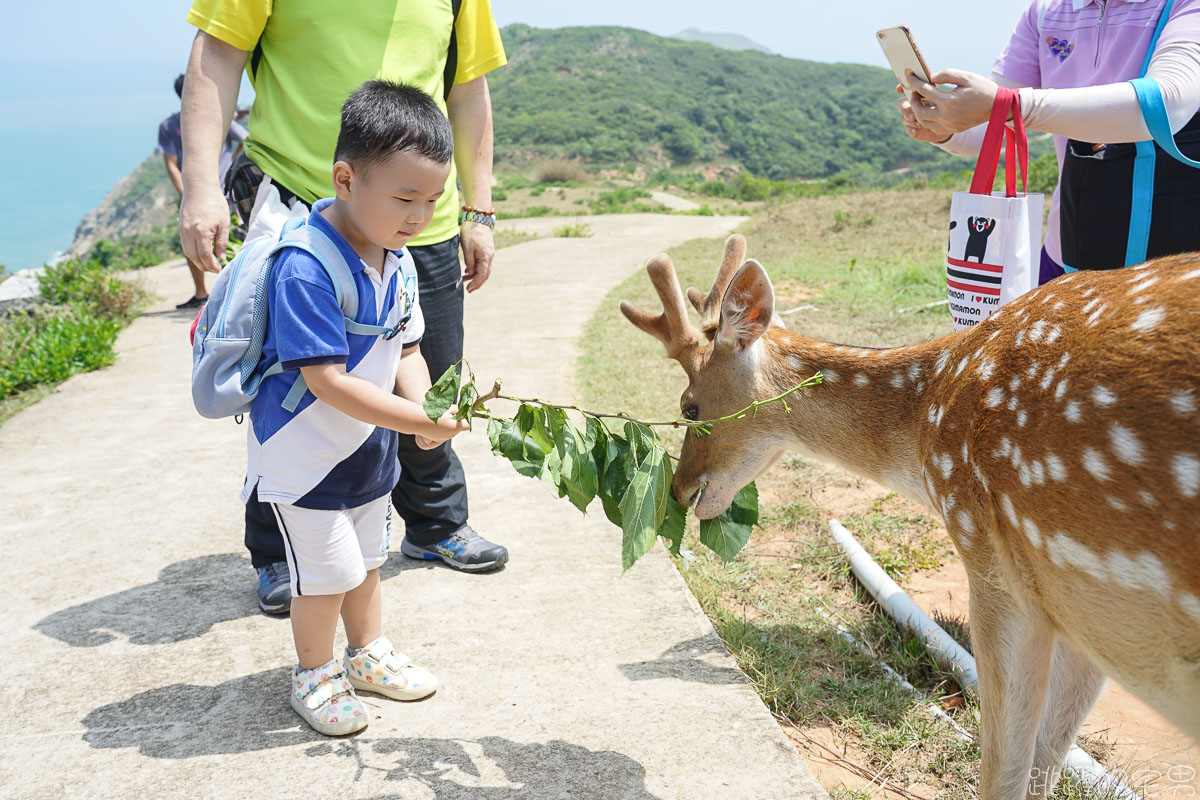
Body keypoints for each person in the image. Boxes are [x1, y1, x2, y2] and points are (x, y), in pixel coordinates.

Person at [178, 0, 509, 616]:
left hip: (419, 214)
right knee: (287, 384)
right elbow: (217, 54)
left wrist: (479, 210)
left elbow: (467, 86)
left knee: (425, 375)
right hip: (300, 200)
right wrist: (201, 187)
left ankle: (435, 526)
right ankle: (280, 548)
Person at [247, 79, 470, 735]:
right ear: (345, 180)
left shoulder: (395, 260)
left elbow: (406, 350)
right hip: (304, 453)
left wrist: (428, 406)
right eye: (404, 198)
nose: (418, 216)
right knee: (326, 575)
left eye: (431, 200)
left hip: (366, 447)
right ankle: (314, 675)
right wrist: (418, 422)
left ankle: (367, 655)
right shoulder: (306, 266)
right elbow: (326, 381)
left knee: (370, 556)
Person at [896, 0, 1200, 283]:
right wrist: (945, 126)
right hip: (1067, 247)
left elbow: (1165, 104)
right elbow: (991, 123)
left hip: (1173, 261)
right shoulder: (1047, 10)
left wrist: (1011, 106)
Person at [158, 73, 247, 310]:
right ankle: (203, 293)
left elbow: (170, 163)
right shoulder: (178, 124)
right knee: (204, 239)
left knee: (231, 237)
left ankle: (230, 290)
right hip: (209, 190)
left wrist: (187, 194)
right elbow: (170, 163)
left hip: (221, 191)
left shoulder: (207, 120)